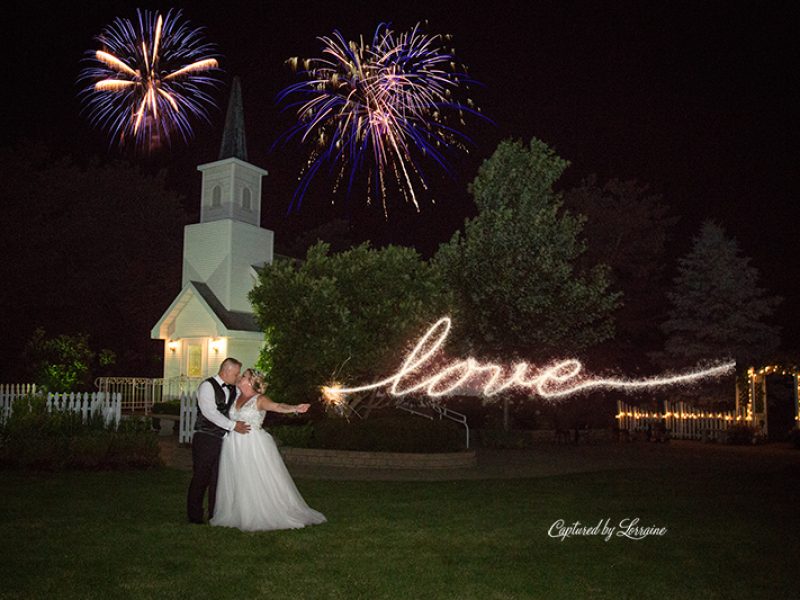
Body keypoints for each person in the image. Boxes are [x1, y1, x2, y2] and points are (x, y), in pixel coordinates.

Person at [210, 368, 327, 531]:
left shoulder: (260, 399)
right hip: (233, 443)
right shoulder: (236, 395)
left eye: (244, 376)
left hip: (252, 444)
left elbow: (278, 406)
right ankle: (236, 512)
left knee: (252, 477)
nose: (240, 377)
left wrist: (294, 408)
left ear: (251, 382)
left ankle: (256, 513)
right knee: (236, 477)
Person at [187, 357, 251, 525]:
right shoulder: (207, 386)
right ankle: (194, 515)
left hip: (224, 440)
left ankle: (215, 514)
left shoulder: (233, 389)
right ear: (226, 371)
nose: (238, 377)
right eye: (236, 373)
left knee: (218, 478)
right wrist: (232, 426)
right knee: (201, 477)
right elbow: (210, 412)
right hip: (206, 437)